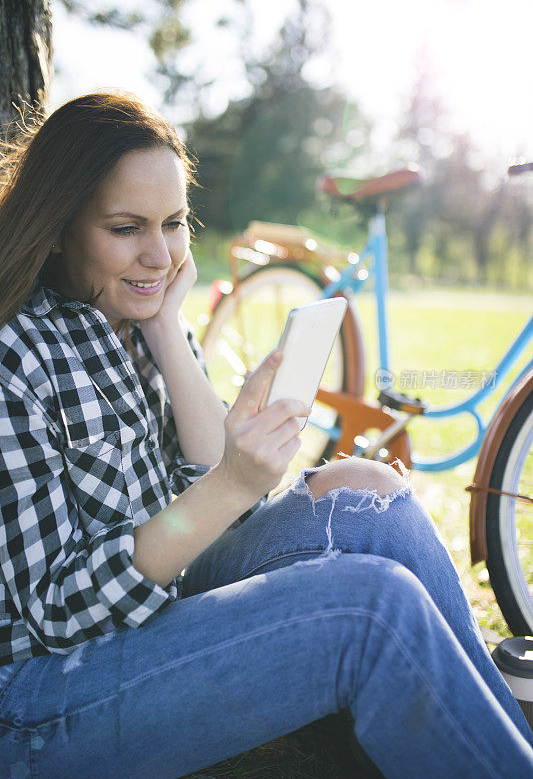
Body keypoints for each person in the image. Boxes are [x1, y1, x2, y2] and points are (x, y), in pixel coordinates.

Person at [0, 90, 531, 779]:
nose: (159, 255)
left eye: (174, 223)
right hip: (43, 696)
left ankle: (501, 738)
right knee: (368, 606)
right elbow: (58, 612)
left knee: (370, 492)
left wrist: (164, 329)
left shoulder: (136, 319)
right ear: (61, 225)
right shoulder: (18, 353)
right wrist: (233, 483)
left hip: (156, 608)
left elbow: (207, 499)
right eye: (126, 228)